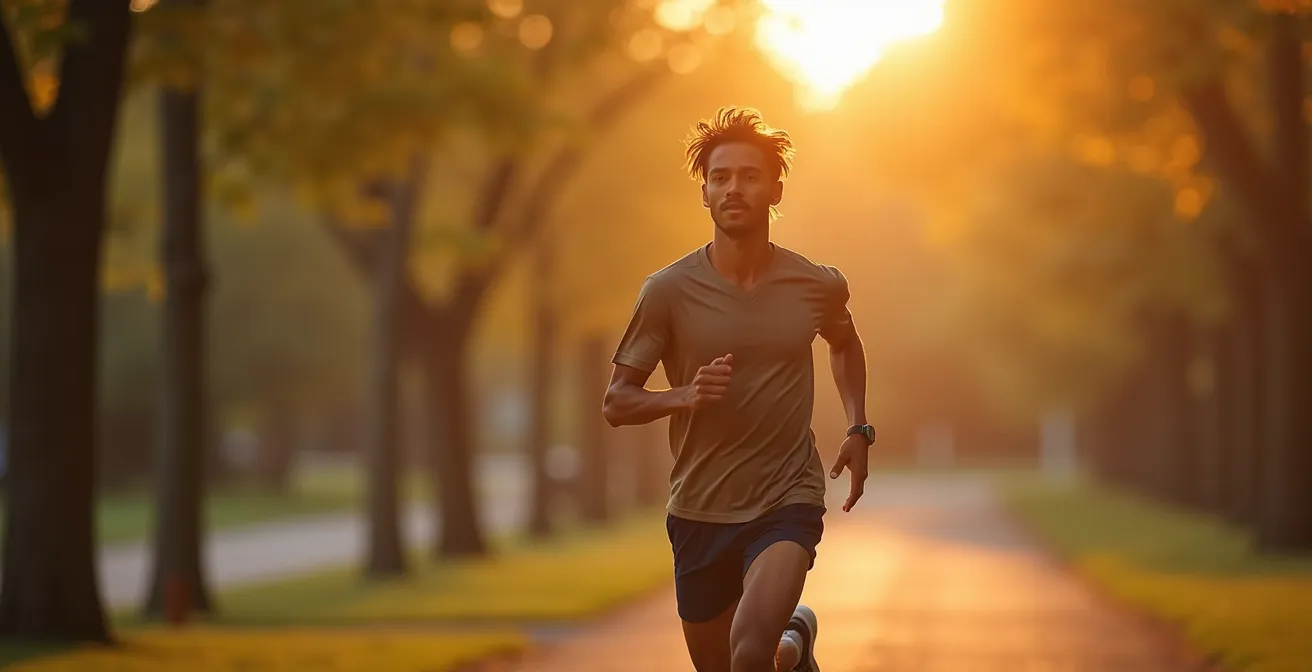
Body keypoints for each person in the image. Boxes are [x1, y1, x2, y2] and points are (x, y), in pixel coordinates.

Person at [601, 106, 874, 672]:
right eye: (720, 177)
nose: (733, 188)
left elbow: (844, 344)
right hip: (699, 507)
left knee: (746, 652)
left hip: (786, 496)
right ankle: (794, 648)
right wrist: (682, 396)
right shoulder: (668, 291)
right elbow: (616, 402)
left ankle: (780, 642)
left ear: (775, 189)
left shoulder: (815, 284)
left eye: (749, 176)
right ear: (703, 193)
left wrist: (857, 426)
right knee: (734, 665)